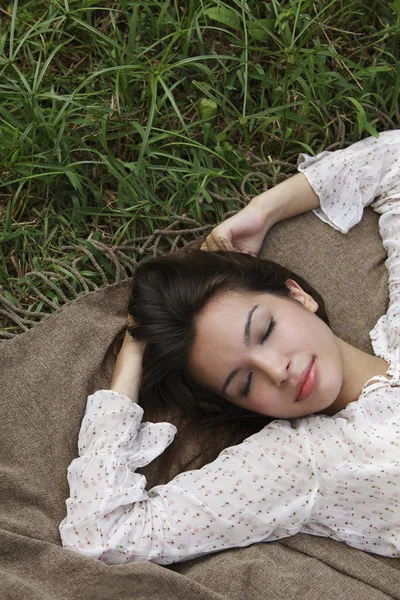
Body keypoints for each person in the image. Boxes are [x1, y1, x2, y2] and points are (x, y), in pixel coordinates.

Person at [60, 130, 400, 565]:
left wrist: (263, 211)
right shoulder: (300, 463)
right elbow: (101, 537)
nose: (278, 371)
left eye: (265, 330)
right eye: (244, 382)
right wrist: (131, 356)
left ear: (298, 296)